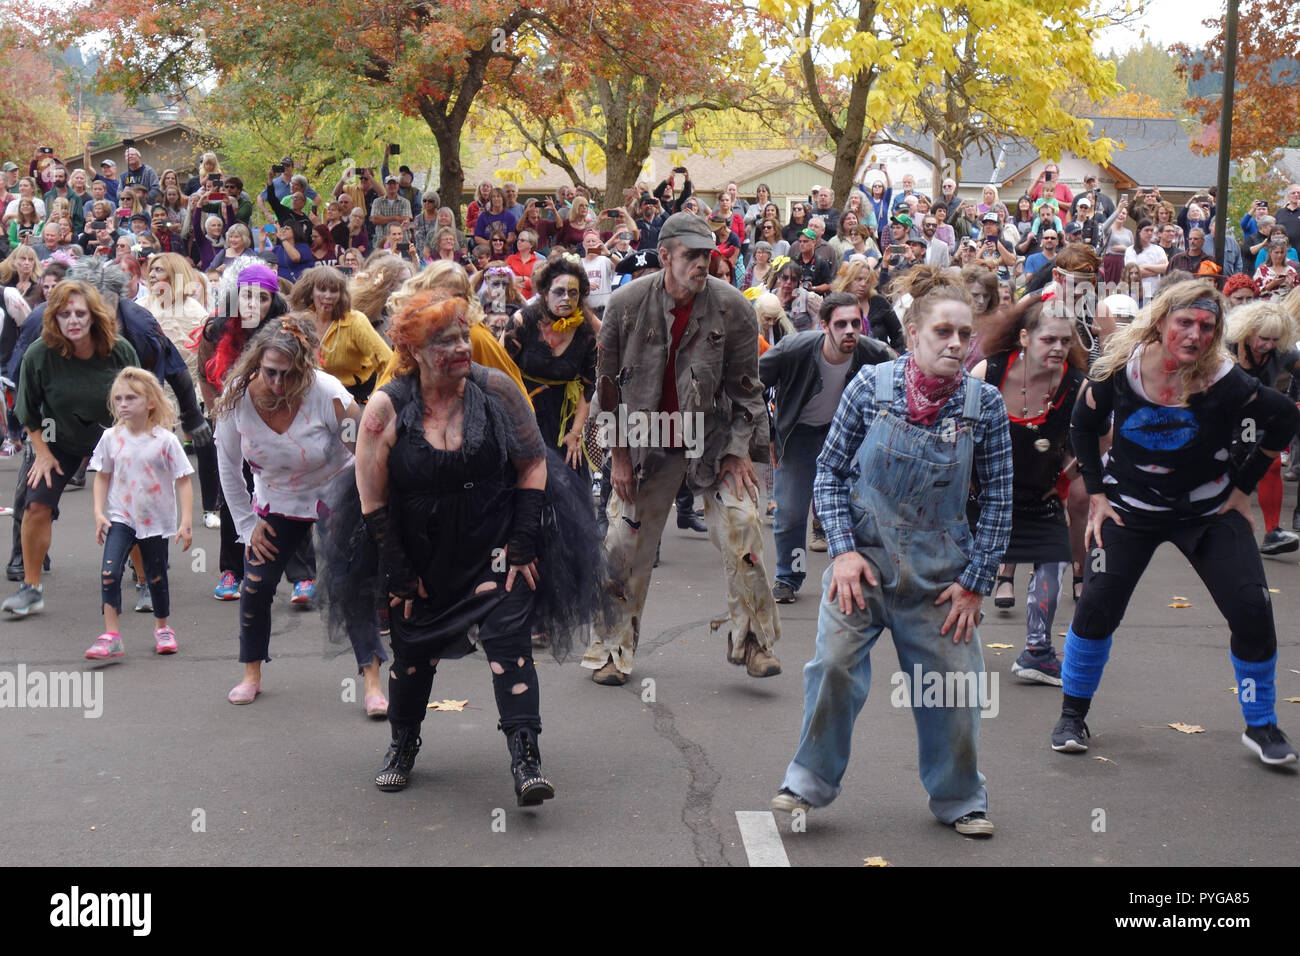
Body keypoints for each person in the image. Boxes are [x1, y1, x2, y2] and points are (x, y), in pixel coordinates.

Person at [770, 272, 1012, 836]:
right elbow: (828, 472)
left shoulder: (985, 406)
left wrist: (976, 582)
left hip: (940, 577)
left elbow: (1000, 499)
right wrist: (845, 551)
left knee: (954, 689)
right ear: (912, 332)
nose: (956, 344)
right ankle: (806, 782)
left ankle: (959, 798)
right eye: (942, 331)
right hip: (864, 565)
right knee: (832, 667)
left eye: (964, 334)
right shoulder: (870, 388)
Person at [352, 291, 602, 800]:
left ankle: (525, 756)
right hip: (421, 552)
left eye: (464, 335)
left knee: (509, 643)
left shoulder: (499, 392)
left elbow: (533, 463)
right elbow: (371, 494)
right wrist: (397, 567)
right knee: (413, 655)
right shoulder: (386, 406)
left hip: (494, 540)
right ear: (415, 350)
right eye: (446, 341)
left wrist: (524, 541)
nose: (463, 347)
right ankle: (402, 743)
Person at [1053, 280, 1299, 765]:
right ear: (1161, 321)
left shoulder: (1225, 380)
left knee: (1251, 607)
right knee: (1098, 603)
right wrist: (1097, 495)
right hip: (1129, 510)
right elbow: (1081, 425)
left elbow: (1285, 419)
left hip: (1207, 513)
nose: (1194, 334)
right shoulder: (1121, 370)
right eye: (1184, 322)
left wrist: (1242, 489)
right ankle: (1072, 714)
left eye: (1207, 326)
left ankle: (1261, 724)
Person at [581, 212, 781, 684]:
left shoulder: (733, 307)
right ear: (665, 256)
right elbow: (606, 387)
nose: (700, 264)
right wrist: (620, 458)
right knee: (623, 542)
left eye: (707, 255)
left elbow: (748, 390)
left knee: (744, 524)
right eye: (690, 255)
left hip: (711, 440)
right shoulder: (626, 304)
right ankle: (611, 650)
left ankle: (753, 642)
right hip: (645, 439)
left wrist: (737, 452)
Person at [213, 315, 389, 711]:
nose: (278, 383)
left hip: (335, 493)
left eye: (289, 375)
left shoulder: (328, 394)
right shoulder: (237, 399)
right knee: (256, 584)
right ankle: (251, 674)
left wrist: (367, 512)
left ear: (305, 370)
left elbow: (362, 454)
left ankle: (373, 682)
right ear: (257, 363)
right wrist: (246, 525)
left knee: (351, 584)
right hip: (278, 499)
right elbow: (226, 465)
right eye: (271, 372)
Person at [3, 281, 140, 615]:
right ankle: (31, 589)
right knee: (34, 504)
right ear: (55, 318)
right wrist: (43, 453)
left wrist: (134, 447)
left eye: (80, 313)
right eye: (65, 314)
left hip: (114, 436)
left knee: (133, 506)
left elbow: (140, 399)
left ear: (93, 316)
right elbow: (27, 410)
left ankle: (146, 580)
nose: (73, 320)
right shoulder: (40, 354)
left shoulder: (119, 349)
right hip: (57, 438)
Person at [970, 304, 1086, 684]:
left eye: (1065, 341)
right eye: (1048, 339)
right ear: (1025, 337)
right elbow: (958, 430)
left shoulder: (1078, 385)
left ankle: (1037, 652)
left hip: (1040, 496)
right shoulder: (989, 371)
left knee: (1055, 561)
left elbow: (1099, 444)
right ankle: (953, 644)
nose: (1057, 347)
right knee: (961, 571)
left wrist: (1066, 477)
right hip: (982, 496)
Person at [762, 291, 894, 604]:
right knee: (791, 513)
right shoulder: (793, 350)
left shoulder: (875, 354)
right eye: (841, 324)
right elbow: (751, 383)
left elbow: (905, 381)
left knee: (862, 509)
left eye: (855, 324)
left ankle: (860, 573)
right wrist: (767, 432)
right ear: (824, 326)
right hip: (799, 436)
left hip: (848, 438)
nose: (850, 331)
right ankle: (788, 577)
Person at [86, 368, 193, 659]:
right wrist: (98, 512)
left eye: (131, 398)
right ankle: (111, 635)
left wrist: (185, 521)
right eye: (118, 398)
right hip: (122, 517)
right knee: (109, 573)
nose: (123, 403)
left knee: (156, 576)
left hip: (156, 521)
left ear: (150, 403)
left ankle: (162, 628)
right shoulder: (111, 438)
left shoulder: (165, 441)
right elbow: (102, 476)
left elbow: (183, 479)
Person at [1225, 299, 1300, 555]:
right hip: (1222, 414)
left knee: (1272, 464)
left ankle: (1272, 532)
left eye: (1274, 340)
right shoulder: (1225, 345)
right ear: (1247, 331)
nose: (1268, 345)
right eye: (1263, 339)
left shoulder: (1282, 351)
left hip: (1259, 416)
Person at [288, 266, 392, 404]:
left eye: (334, 290)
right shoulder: (302, 321)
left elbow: (388, 362)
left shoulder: (355, 321)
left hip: (355, 396)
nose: (328, 296)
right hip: (313, 396)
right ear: (310, 292)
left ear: (341, 294)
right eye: (322, 289)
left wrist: (376, 398)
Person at [830, 258, 903, 352]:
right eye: (859, 279)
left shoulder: (879, 302)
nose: (863, 284)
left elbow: (898, 335)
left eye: (867, 280)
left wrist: (895, 357)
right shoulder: (836, 303)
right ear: (848, 281)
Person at [1254, 234, 1298, 301]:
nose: (1279, 255)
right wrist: (1272, 284)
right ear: (1270, 252)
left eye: (1282, 252)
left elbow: (1297, 294)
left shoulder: (1291, 271)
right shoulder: (1262, 270)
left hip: (1287, 307)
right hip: (1266, 308)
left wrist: (1291, 285)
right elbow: (1254, 292)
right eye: (1276, 252)